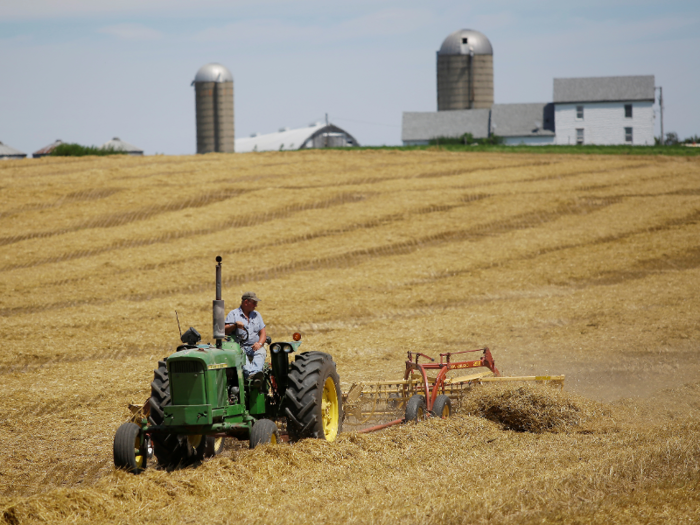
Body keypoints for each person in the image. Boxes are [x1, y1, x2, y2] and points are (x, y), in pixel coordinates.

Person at [225, 291, 267, 379]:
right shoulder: (233, 314)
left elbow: (263, 333)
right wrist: (235, 325)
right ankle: (250, 376)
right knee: (242, 357)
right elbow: (224, 330)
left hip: (254, 346)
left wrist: (259, 344)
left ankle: (256, 375)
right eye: (254, 303)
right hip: (239, 347)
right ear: (246, 302)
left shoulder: (257, 315)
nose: (256, 305)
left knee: (261, 352)